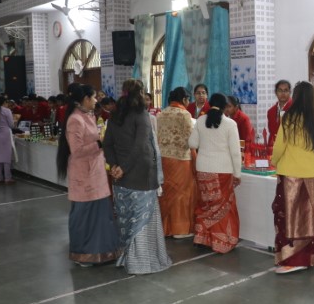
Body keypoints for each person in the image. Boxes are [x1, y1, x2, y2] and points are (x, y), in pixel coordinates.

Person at [103, 79, 172, 274]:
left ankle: (126, 258)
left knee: (126, 218)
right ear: (141, 93)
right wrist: (123, 168)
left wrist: (115, 166)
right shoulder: (141, 115)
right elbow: (140, 146)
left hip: (120, 177)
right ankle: (140, 262)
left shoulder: (115, 115)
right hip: (141, 175)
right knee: (143, 218)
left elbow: (107, 144)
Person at [56, 84, 120, 267]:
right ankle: (84, 254)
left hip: (96, 173)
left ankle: (102, 252)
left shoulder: (89, 116)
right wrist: (99, 143)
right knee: (85, 216)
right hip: (84, 175)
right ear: (84, 99)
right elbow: (76, 150)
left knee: (101, 215)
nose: (96, 100)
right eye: (93, 97)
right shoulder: (75, 119)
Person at [270, 81, 314, 274]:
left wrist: (274, 161)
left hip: (291, 177)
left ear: (295, 96)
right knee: (309, 219)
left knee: (288, 219)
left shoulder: (288, 118)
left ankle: (291, 261)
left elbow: (279, 148)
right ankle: (308, 259)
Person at [188, 93, 242, 253]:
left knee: (206, 204)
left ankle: (202, 238)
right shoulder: (230, 124)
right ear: (225, 107)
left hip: (203, 169)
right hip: (223, 170)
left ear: (209, 104)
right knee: (222, 206)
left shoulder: (200, 120)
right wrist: (237, 174)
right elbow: (235, 153)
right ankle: (221, 242)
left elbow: (192, 143)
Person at [157, 87, 198, 238]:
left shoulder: (161, 114)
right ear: (184, 99)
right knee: (182, 194)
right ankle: (180, 229)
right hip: (181, 160)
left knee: (166, 192)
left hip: (163, 159)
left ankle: (165, 228)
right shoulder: (184, 114)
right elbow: (191, 140)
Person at [267, 80, 292, 146]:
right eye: (280, 90)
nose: (283, 93)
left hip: (289, 147)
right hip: (274, 147)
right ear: (276, 92)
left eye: (286, 90)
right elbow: (271, 133)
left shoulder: (295, 109)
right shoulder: (270, 111)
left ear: (290, 92)